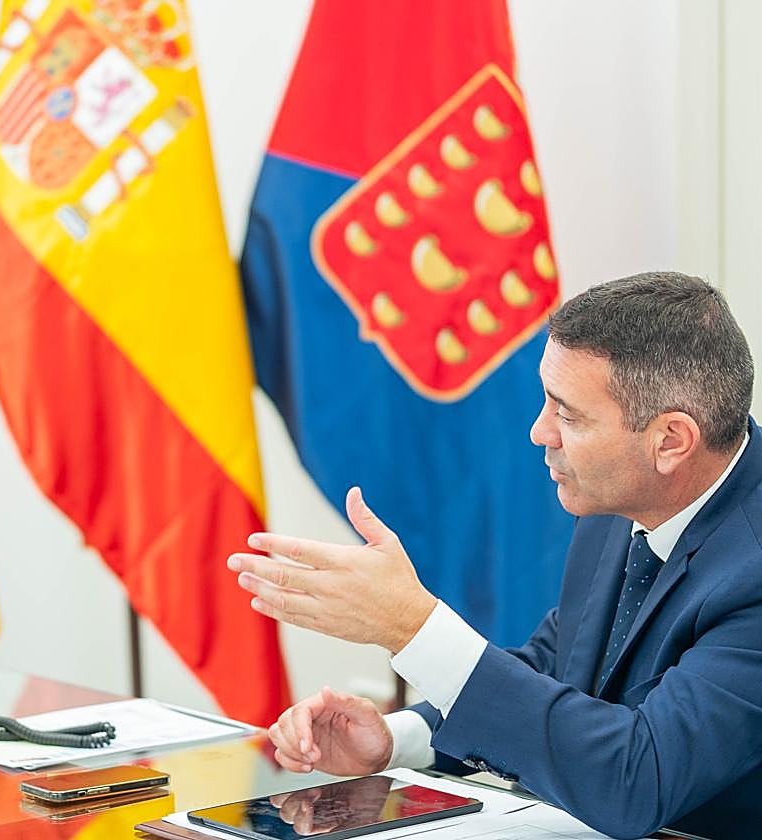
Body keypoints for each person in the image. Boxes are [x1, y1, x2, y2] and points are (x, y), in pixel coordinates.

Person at [229, 272, 762, 839]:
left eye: (568, 416)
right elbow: (560, 664)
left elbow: (638, 779)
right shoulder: (621, 498)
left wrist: (414, 628)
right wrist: (398, 739)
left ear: (671, 441)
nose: (539, 432)